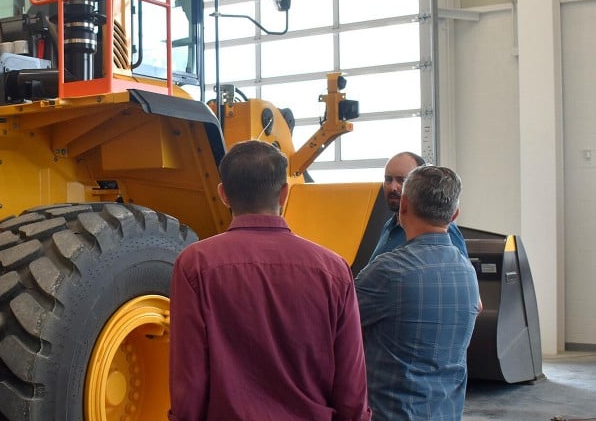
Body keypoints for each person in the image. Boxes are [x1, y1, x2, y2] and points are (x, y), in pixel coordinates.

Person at [168, 140, 371, 421]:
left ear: (223, 194)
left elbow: (189, 377)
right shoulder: (334, 270)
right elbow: (351, 382)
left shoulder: (195, 265)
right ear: (285, 193)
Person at [355, 165, 480, 420]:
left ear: (403, 207)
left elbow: (336, 322)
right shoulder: (467, 272)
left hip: (392, 412)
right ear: (454, 214)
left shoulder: (388, 270)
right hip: (446, 411)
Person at [366, 151, 468, 265]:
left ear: (421, 184)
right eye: (388, 179)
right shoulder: (389, 225)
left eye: (402, 180)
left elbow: (456, 276)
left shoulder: (442, 229)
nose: (393, 187)